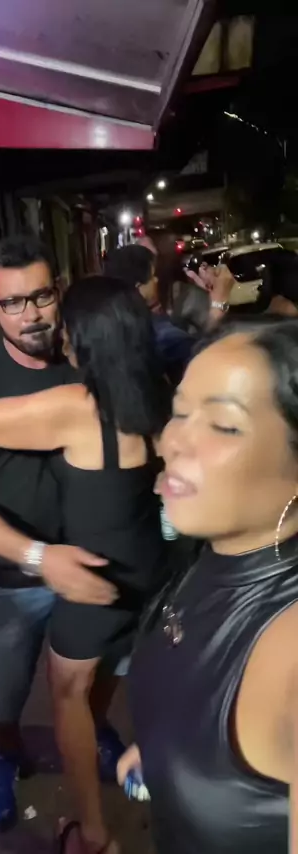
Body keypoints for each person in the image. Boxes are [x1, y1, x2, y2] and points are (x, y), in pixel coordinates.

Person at [0, 275, 171, 854]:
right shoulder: (156, 392)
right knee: (98, 681)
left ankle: (92, 833)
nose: (58, 332)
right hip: (148, 571)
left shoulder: (79, 406)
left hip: (92, 579)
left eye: (65, 322)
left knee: (67, 692)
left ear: (87, 336)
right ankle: (109, 754)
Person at [118, 317, 298, 854]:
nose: (171, 441)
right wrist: (163, 755)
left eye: (222, 425)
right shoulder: (213, 549)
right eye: (178, 413)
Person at [104, 245, 232, 385]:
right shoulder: (162, 336)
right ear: (138, 287)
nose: (156, 280)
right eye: (152, 276)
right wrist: (219, 300)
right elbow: (206, 365)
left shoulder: (109, 329)